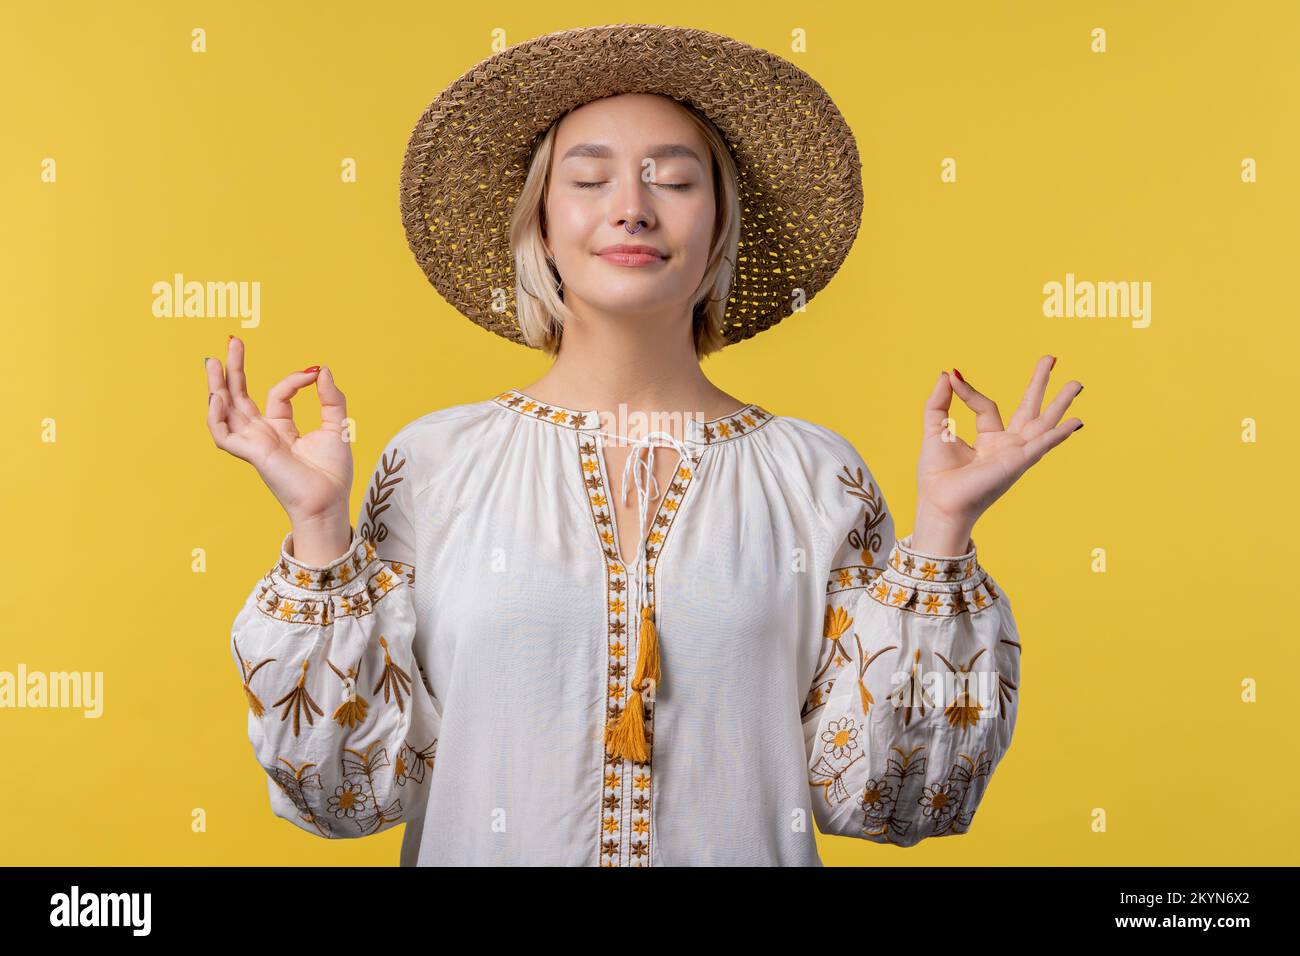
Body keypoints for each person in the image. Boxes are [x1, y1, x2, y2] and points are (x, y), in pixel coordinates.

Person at [204, 25, 1083, 866]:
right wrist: (319, 529)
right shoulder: (434, 466)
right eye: (589, 180)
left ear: (719, 226)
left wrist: (941, 532)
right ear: (540, 225)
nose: (631, 208)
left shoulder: (818, 477)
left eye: (673, 179)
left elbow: (887, 800)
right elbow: (346, 795)